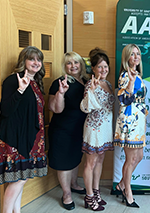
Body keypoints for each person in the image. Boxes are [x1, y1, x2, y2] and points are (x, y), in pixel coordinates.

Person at [0, 46, 47, 213]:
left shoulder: (36, 83)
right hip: (13, 137)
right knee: (20, 179)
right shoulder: (13, 80)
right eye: (32, 59)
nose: (36, 63)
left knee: (20, 178)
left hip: (30, 136)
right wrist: (21, 90)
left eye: (39, 60)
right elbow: (6, 110)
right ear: (23, 61)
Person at [48, 52, 88, 210]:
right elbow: (55, 109)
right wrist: (61, 93)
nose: (73, 66)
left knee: (75, 157)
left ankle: (74, 184)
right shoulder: (59, 82)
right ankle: (66, 194)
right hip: (62, 129)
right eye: (69, 63)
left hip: (79, 129)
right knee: (64, 162)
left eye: (76, 63)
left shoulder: (86, 81)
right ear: (64, 66)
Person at [113, 44, 148, 208]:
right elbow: (124, 100)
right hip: (130, 121)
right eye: (132, 54)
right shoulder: (125, 76)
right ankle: (128, 193)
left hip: (139, 120)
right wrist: (130, 83)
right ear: (126, 57)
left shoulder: (137, 74)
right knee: (131, 158)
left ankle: (121, 184)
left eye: (138, 54)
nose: (136, 56)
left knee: (138, 156)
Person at [80, 48, 114, 211]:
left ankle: (96, 191)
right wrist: (91, 92)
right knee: (90, 163)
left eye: (105, 66)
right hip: (94, 128)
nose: (103, 70)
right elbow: (86, 108)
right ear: (93, 68)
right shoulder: (90, 84)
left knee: (100, 160)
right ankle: (89, 197)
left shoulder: (107, 83)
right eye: (100, 67)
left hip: (106, 127)